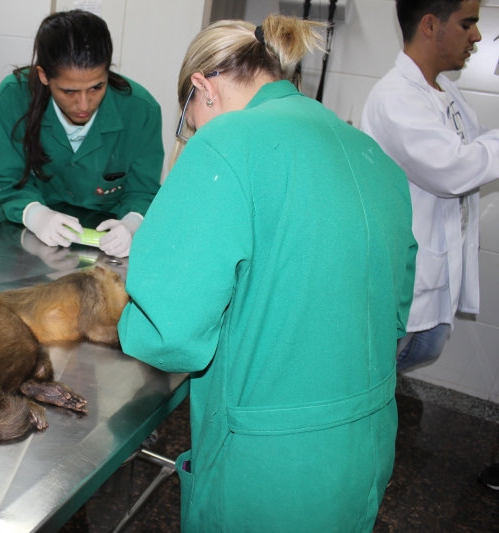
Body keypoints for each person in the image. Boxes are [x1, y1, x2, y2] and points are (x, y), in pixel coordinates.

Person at [118, 16, 418, 532]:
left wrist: (122, 316)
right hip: (363, 450)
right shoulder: (371, 155)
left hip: (269, 470)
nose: (193, 135)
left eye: (189, 123)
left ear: (202, 88)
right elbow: (393, 311)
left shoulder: (226, 144)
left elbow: (169, 334)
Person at [361, 0, 499, 373]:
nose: (477, 36)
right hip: (407, 279)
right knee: (375, 372)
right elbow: (456, 168)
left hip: (433, 273)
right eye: (467, 24)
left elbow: (478, 146)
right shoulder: (396, 98)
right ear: (429, 25)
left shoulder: (443, 92)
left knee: (418, 354)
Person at [0, 10, 163, 258]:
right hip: (27, 239)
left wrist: (133, 222)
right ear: (44, 76)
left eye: (97, 87)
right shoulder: (13, 97)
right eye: (69, 91)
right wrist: (35, 214)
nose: (84, 104)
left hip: (106, 245)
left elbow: (143, 190)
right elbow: (9, 176)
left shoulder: (141, 110)